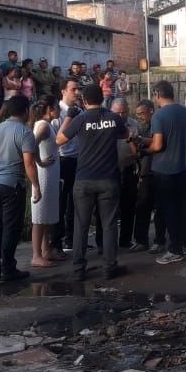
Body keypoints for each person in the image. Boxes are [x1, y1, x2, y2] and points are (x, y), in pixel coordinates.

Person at [56, 84, 128, 281]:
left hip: (84, 180)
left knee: (81, 226)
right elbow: (125, 135)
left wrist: (69, 116)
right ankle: (109, 267)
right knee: (109, 224)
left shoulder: (80, 119)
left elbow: (59, 140)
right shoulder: (113, 118)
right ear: (103, 99)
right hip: (109, 179)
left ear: (84, 101)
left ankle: (78, 270)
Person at [0, 95, 41, 282]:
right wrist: (36, 187)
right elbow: (29, 164)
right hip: (11, 185)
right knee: (10, 227)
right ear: (25, 111)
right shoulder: (25, 132)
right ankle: (8, 268)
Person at [148, 80, 186, 265]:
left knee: (169, 210)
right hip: (183, 168)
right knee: (182, 207)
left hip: (164, 169)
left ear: (157, 94)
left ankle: (174, 249)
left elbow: (158, 144)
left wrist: (147, 149)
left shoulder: (159, 116)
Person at [29, 95, 61, 268]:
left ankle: (46, 249)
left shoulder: (48, 124)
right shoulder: (43, 126)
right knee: (39, 216)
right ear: (50, 109)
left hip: (51, 173)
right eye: (57, 107)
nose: (59, 110)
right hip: (44, 174)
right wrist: (39, 161)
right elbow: (32, 145)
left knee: (46, 215)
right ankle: (36, 254)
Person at [127, 100, 161, 252]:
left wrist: (140, 139)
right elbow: (137, 154)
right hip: (145, 172)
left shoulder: (158, 124)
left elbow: (158, 143)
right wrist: (131, 140)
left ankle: (159, 240)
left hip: (160, 171)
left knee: (160, 209)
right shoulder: (140, 128)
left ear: (151, 111)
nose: (140, 116)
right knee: (142, 207)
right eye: (138, 114)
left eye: (142, 113)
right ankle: (141, 240)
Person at [111, 98, 142, 250]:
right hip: (110, 170)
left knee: (128, 207)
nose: (121, 115)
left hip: (129, 168)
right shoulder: (107, 124)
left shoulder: (134, 125)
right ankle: (106, 243)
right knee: (108, 208)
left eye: (124, 112)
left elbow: (138, 147)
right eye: (117, 112)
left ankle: (125, 240)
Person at [54, 79, 81, 254]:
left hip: (78, 158)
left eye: (78, 89)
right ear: (63, 91)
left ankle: (72, 239)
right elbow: (57, 139)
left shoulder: (80, 110)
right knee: (61, 202)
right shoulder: (58, 112)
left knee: (76, 201)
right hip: (63, 159)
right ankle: (57, 241)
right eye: (73, 89)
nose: (76, 92)